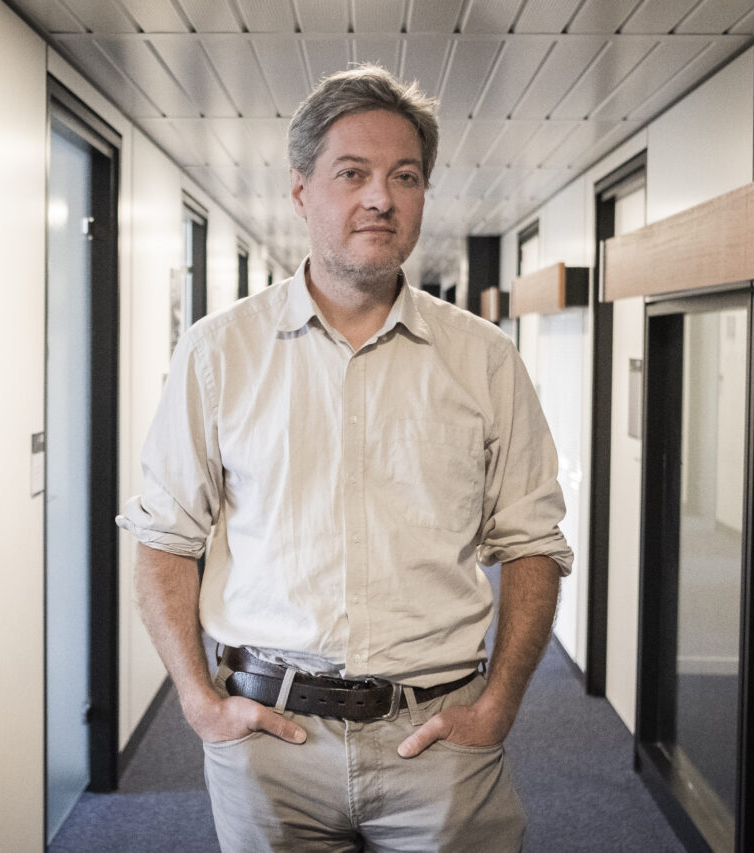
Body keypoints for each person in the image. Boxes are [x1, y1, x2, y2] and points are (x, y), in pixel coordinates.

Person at [117, 64, 573, 852]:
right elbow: (165, 538)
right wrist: (197, 701)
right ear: (301, 191)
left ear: (424, 194)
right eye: (352, 173)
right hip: (270, 741)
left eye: (405, 176)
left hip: (439, 739)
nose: (380, 198)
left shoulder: (487, 361)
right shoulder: (219, 353)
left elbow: (533, 542)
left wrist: (499, 702)